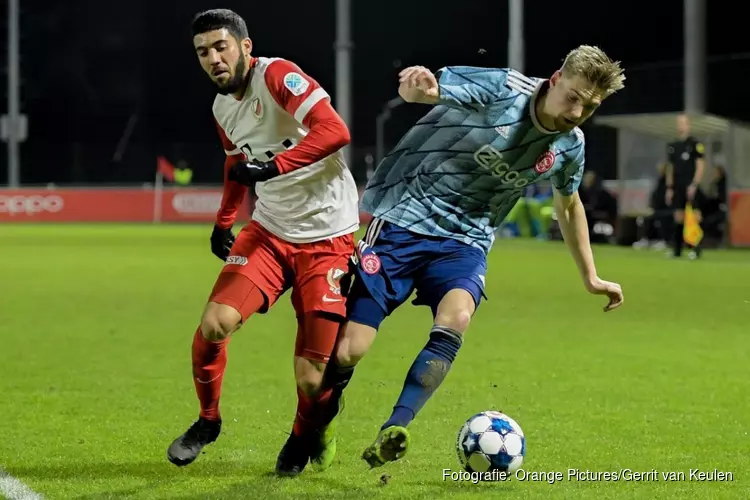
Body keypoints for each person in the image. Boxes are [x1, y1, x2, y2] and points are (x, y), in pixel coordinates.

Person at [312, 45, 626, 469]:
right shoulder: (502, 88)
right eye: (572, 97)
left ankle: (395, 426)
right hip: (405, 218)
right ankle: (322, 421)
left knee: (457, 317)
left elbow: (569, 206)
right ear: (555, 79)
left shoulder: (569, 145)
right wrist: (415, 88)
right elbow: (426, 92)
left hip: (466, 241)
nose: (576, 112)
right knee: (350, 350)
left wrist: (591, 276)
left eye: (589, 107)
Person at [166, 9, 360, 477]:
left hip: (328, 238)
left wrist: (275, 167)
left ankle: (302, 435)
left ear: (245, 47)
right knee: (215, 323)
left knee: (312, 379)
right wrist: (223, 220)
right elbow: (237, 163)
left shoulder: (277, 75)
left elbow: (336, 131)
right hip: (269, 233)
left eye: (220, 46)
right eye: (203, 52)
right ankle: (208, 422)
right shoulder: (221, 108)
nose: (213, 58)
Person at [665, 114, 706, 258]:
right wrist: (669, 188)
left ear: (688, 125)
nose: (680, 126)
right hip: (678, 186)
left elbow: (700, 165)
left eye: (683, 123)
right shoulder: (673, 146)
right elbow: (670, 168)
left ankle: (697, 249)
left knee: (695, 216)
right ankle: (677, 250)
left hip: (691, 186)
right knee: (678, 217)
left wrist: (694, 184)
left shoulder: (695, 144)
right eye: (678, 123)